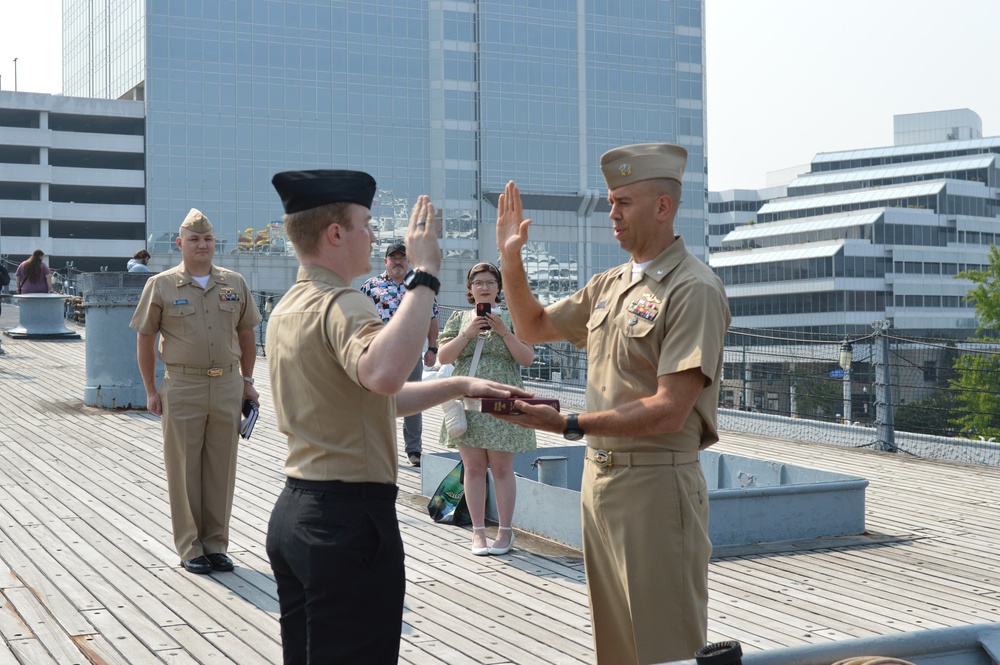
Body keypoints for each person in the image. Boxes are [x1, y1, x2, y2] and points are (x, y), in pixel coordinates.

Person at [264, 169, 531, 665]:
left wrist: (456, 384)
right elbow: (385, 373)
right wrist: (425, 275)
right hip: (347, 520)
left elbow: (369, 398)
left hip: (297, 510)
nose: (374, 235)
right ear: (335, 233)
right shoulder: (341, 303)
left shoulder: (289, 306)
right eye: (365, 223)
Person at [494, 144, 731, 665]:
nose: (612, 214)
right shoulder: (611, 284)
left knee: (665, 647)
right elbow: (532, 326)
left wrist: (567, 422)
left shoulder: (694, 289)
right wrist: (511, 259)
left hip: (655, 484)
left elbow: (670, 409)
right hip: (600, 483)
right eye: (610, 202)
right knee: (617, 649)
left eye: (624, 202)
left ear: (663, 207)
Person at [130, 208, 262, 575]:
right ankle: (191, 545)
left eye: (207, 239)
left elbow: (247, 336)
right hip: (183, 384)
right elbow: (145, 338)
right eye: (194, 239)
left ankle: (216, 545)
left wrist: (247, 383)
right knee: (184, 467)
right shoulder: (161, 285)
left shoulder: (234, 283)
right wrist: (151, 390)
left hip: (227, 384)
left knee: (221, 468)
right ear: (180, 244)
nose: (201, 245)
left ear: (213, 243)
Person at [436, 262, 536, 555]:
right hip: (467, 399)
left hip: (504, 398)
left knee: (503, 469)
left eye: (490, 282)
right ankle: (478, 532)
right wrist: (468, 333)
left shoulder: (514, 318)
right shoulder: (458, 318)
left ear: (498, 287)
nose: (484, 287)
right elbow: (444, 356)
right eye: (478, 282)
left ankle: (505, 532)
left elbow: (526, 358)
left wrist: (504, 330)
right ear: (469, 289)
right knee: (475, 468)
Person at [360, 241, 439, 467]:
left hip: (411, 352)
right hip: (378, 352)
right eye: (393, 258)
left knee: (413, 402)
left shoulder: (422, 287)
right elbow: (358, 319)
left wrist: (432, 348)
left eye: (401, 258)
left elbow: (432, 318)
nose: (397, 261)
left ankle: (414, 450)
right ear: (385, 261)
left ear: (408, 261)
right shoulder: (370, 286)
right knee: (376, 401)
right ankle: (376, 448)